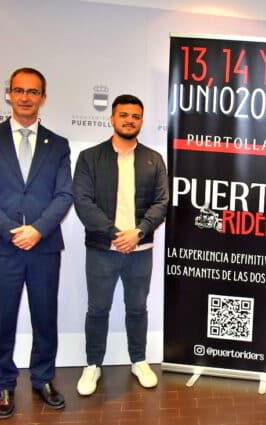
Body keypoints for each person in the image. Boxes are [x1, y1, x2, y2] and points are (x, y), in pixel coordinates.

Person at [0, 67, 73, 418]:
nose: (25, 97)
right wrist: (12, 230)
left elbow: (64, 194)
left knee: (45, 317)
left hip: (44, 247)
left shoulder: (58, 144)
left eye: (33, 91)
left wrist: (38, 230)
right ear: (9, 94)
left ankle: (43, 379)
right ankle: (4, 384)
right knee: (1, 319)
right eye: (19, 90)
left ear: (43, 97)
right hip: (2, 247)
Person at [72, 94, 169, 396]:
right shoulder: (89, 157)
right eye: (124, 115)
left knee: (137, 308)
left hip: (140, 251)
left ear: (141, 121)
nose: (129, 120)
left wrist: (138, 232)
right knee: (97, 309)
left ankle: (138, 360)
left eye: (135, 116)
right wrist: (115, 234)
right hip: (102, 249)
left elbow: (162, 202)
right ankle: (93, 365)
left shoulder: (154, 159)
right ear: (112, 118)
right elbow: (83, 202)